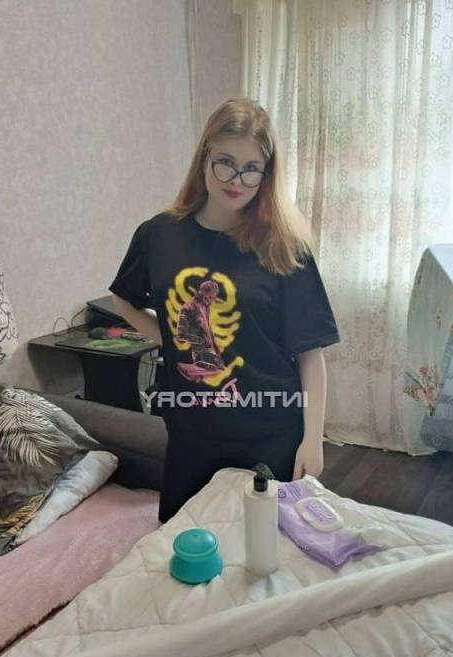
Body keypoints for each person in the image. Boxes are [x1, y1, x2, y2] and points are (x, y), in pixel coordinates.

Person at [109, 96, 340, 523]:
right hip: (191, 431)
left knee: (262, 545)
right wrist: (173, 342)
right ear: (204, 156)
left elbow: (311, 354)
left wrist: (313, 440)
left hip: (271, 430)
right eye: (226, 163)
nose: (237, 180)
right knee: (185, 539)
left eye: (252, 168)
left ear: (267, 173)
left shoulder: (284, 246)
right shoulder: (158, 235)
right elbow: (122, 299)